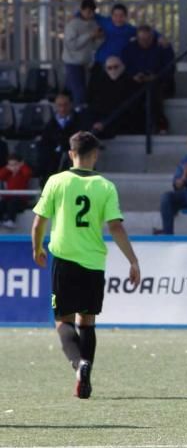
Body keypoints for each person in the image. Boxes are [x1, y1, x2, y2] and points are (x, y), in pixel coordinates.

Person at [31, 131, 141, 399]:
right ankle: (86, 378)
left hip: (65, 261)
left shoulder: (56, 182)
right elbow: (115, 227)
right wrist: (133, 260)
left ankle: (78, 364)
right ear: (95, 155)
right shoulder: (105, 186)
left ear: (71, 154)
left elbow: (38, 222)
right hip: (93, 263)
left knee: (62, 320)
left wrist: (37, 247)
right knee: (87, 321)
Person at [121, 24, 174, 133]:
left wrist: (156, 76)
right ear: (137, 38)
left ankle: (160, 125)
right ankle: (133, 127)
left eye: (148, 39)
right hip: (136, 82)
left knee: (152, 93)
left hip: (159, 83)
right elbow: (125, 67)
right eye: (141, 39)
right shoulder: (129, 48)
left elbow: (170, 68)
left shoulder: (162, 47)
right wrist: (134, 76)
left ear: (153, 37)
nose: (144, 42)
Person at [86, 56, 139, 138]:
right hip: (103, 119)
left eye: (115, 67)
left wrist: (103, 123)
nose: (113, 70)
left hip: (122, 120)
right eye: (109, 68)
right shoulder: (102, 84)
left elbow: (128, 106)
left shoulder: (130, 83)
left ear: (122, 67)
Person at [40, 92, 87, 183]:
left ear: (71, 105)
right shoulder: (50, 125)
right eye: (59, 105)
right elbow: (45, 144)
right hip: (54, 162)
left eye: (65, 105)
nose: (62, 109)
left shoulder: (80, 121)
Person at [62, 0, 101, 108]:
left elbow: (95, 45)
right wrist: (89, 36)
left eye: (92, 12)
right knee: (80, 93)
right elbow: (71, 45)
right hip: (73, 62)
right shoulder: (73, 25)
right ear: (82, 10)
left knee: (82, 91)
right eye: (87, 11)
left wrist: (98, 38)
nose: (89, 14)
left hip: (87, 63)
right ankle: (79, 114)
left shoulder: (94, 24)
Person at [92, 4, 137, 75]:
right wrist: (76, 15)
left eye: (121, 16)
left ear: (126, 17)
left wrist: (159, 37)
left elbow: (146, 31)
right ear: (111, 16)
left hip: (119, 64)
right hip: (101, 61)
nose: (118, 18)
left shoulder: (129, 29)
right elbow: (89, 12)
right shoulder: (106, 22)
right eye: (115, 15)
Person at [0, 153, 33, 228]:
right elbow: (1, 176)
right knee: (2, 203)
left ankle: (11, 221)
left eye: (15, 164)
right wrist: (7, 168)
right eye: (10, 165)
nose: (13, 167)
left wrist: (21, 166)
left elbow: (27, 173)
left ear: (20, 163)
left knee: (13, 202)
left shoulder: (23, 172)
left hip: (20, 200)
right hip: (8, 198)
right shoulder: (8, 173)